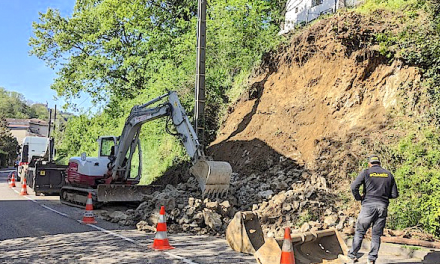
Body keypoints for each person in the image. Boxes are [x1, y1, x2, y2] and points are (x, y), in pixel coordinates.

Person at [346, 155, 399, 264]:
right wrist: (383, 196)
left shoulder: (366, 172)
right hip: (382, 207)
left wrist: (358, 198)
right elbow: (394, 194)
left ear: (369, 163)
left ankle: (352, 255)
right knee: (376, 234)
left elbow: (353, 187)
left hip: (368, 206)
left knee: (360, 231)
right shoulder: (388, 174)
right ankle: (371, 259)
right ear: (379, 163)